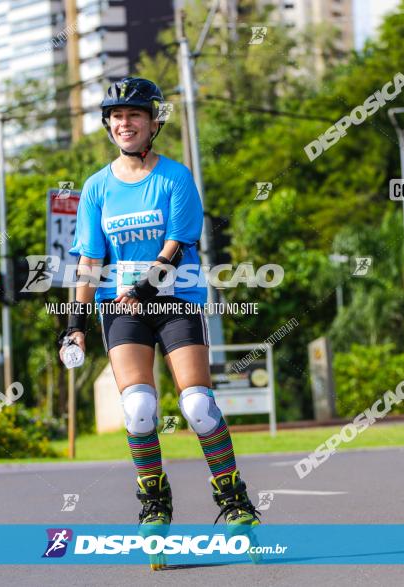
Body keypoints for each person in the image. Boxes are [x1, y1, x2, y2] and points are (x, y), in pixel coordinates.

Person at [62, 78, 261, 532]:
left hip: (176, 300)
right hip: (120, 307)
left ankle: (234, 500)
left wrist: (146, 288)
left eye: (133, 115)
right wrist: (76, 322)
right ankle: (154, 502)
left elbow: (177, 243)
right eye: (116, 116)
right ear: (108, 126)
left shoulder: (175, 176)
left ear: (153, 122)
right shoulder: (96, 188)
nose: (124, 123)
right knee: (138, 408)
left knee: (197, 406)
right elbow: (90, 259)